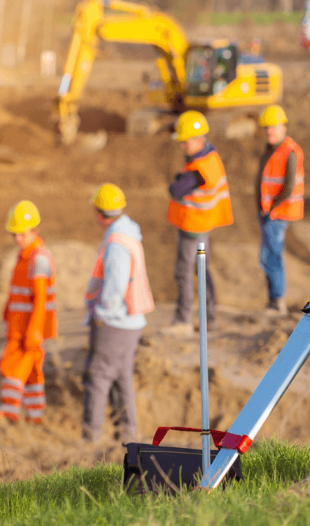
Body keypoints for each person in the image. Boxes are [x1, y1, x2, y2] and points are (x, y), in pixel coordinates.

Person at [82, 183, 154, 443]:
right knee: (121, 377)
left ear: (100, 214)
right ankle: (128, 434)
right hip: (131, 320)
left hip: (117, 321)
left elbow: (115, 285)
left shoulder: (117, 242)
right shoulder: (128, 234)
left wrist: (103, 312)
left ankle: (91, 439)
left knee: (99, 377)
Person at [164, 110, 233, 335]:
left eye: (186, 142)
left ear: (199, 139)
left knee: (184, 272)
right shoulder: (209, 157)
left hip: (193, 228)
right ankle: (209, 318)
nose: (182, 146)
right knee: (202, 272)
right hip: (203, 227)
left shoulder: (199, 169)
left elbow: (176, 190)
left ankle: (183, 321)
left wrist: (178, 182)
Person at [0, 201, 57, 425]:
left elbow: (40, 297)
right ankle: (35, 415)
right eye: (14, 234)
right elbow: (17, 293)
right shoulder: (25, 256)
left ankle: (8, 411)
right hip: (20, 325)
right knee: (32, 371)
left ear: (34, 231)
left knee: (12, 366)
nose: (17, 239)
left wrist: (34, 328)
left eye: (21, 234)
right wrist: (7, 313)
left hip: (27, 328)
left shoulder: (38, 257)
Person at [256, 105, 304, 316]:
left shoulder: (289, 151)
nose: (269, 131)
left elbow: (288, 187)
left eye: (273, 127)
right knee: (268, 255)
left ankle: (277, 302)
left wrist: (271, 207)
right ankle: (273, 300)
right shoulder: (272, 148)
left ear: (283, 126)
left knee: (272, 256)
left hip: (277, 213)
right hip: (269, 212)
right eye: (267, 128)